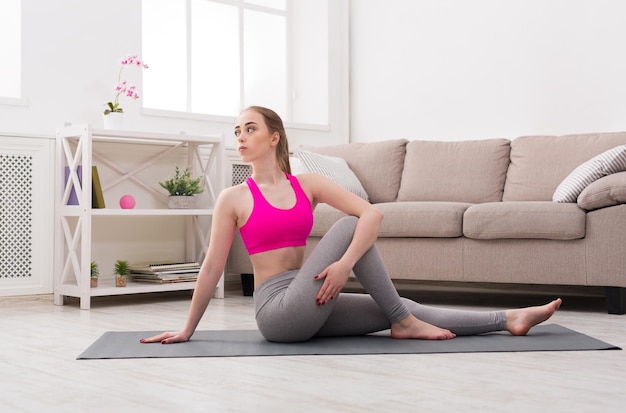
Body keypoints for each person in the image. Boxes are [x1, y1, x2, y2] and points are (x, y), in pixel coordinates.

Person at [141, 106, 562, 344]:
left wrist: (344, 268)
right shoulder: (232, 198)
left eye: (250, 129)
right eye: (237, 131)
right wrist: (186, 329)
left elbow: (374, 213)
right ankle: (404, 322)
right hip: (277, 312)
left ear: (274, 138)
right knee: (344, 229)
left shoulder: (307, 184)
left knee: (399, 304)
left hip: (311, 296)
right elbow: (212, 267)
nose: (240, 137)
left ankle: (507, 318)